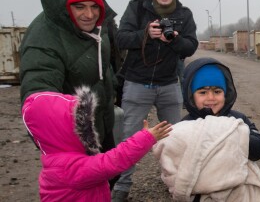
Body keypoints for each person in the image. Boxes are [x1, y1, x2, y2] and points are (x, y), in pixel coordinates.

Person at [20, 0, 119, 166]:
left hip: (103, 124)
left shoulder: (100, 26)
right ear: (63, 6)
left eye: (94, 5)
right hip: (73, 140)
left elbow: (105, 65)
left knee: (109, 177)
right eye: (80, 6)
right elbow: (38, 101)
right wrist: (61, 150)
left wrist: (114, 90)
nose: (89, 14)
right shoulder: (43, 42)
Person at [112, 0, 198, 200]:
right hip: (137, 83)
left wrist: (175, 39)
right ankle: (122, 185)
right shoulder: (137, 8)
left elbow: (190, 46)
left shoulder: (185, 14)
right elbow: (121, 38)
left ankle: (175, 180)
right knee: (129, 137)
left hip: (169, 84)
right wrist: (146, 33)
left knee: (174, 136)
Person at [22, 86, 172, 201]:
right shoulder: (68, 167)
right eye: (82, 124)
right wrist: (146, 138)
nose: (89, 127)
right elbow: (114, 161)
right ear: (64, 132)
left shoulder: (56, 156)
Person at [153, 57, 260, 201]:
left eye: (217, 91)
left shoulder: (238, 121)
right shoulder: (186, 125)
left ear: (226, 94)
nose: (211, 98)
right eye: (202, 92)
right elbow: (173, 161)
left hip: (237, 191)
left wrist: (230, 133)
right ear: (190, 96)